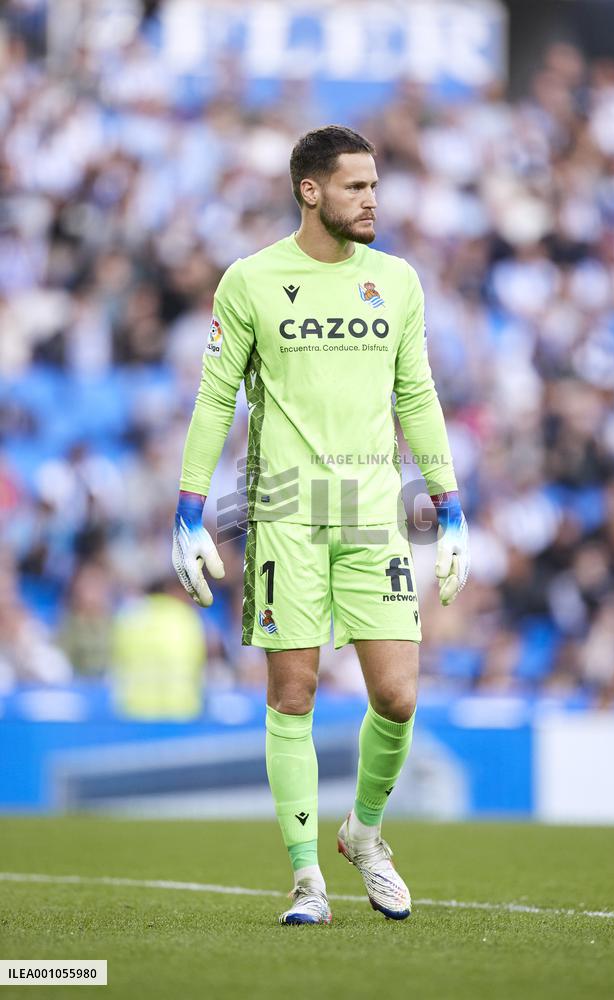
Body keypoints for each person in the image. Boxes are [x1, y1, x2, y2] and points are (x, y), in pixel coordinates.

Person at [172, 125, 470, 925]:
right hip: (285, 513)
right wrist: (189, 508)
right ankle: (307, 877)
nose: (372, 199)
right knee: (293, 693)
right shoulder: (251, 281)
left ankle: (363, 835)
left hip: (374, 511)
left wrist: (450, 503)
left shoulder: (397, 281)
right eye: (356, 187)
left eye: (375, 186)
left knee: (399, 697)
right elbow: (214, 397)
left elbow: (417, 396)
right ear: (311, 191)